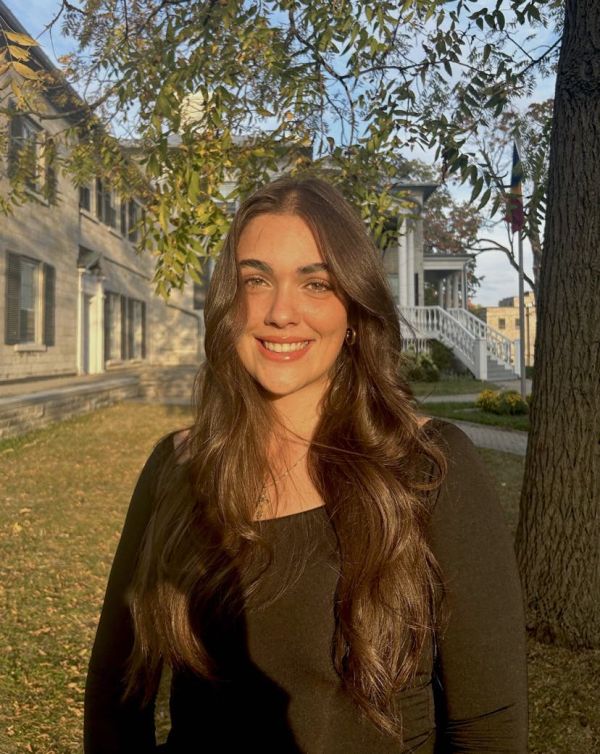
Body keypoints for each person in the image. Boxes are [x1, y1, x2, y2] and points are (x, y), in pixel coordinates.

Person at [84, 176, 528, 753]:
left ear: (352, 309)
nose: (280, 312)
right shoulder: (178, 466)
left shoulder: (427, 469)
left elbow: (488, 729)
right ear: (228, 304)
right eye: (255, 280)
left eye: (315, 283)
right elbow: (116, 693)